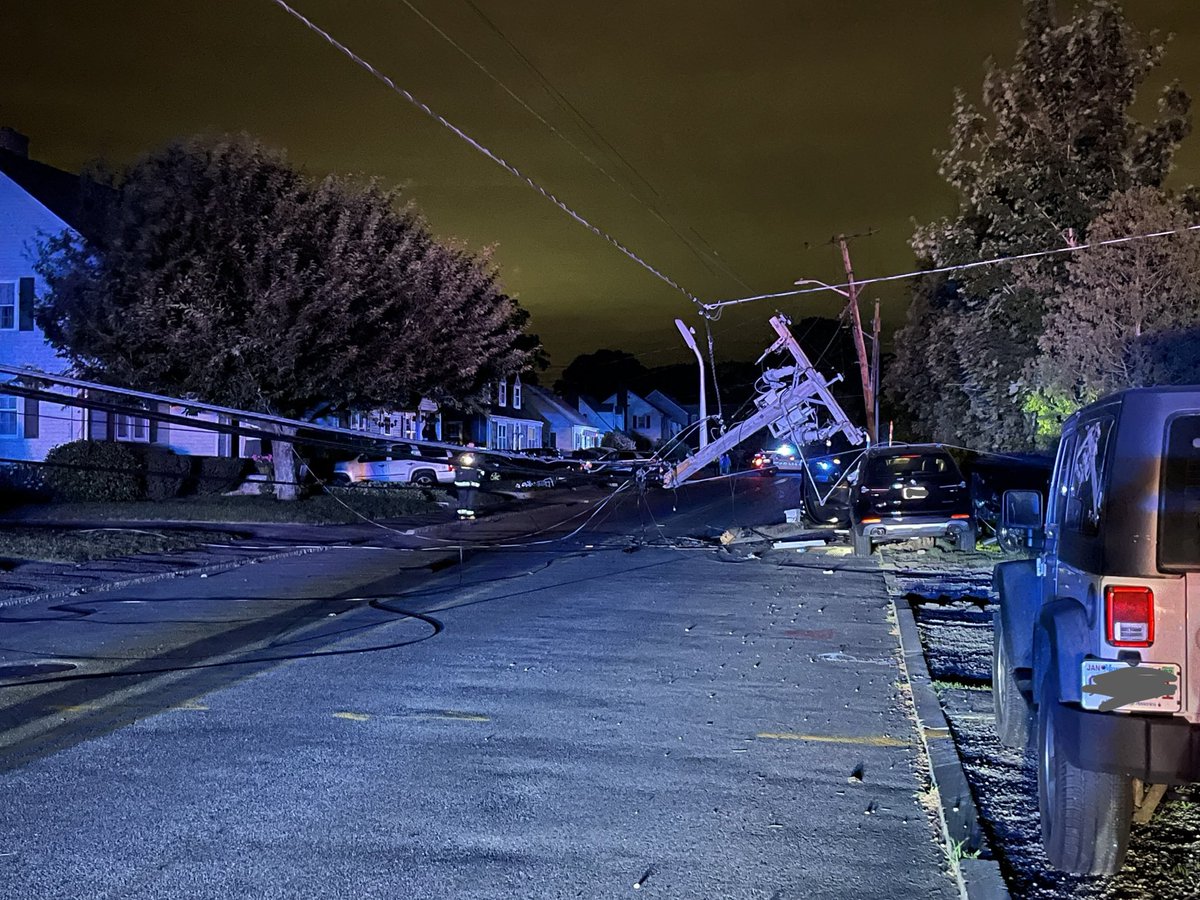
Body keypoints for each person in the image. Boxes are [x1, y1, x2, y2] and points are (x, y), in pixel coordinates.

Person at [454, 443, 483, 521]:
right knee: (462, 499)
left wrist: (480, 476)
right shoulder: (462, 457)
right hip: (462, 482)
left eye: (472, 447)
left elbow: (481, 468)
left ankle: (470, 514)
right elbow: (458, 466)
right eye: (469, 447)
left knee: (471, 499)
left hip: (473, 482)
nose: (471, 449)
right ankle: (462, 514)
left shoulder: (477, 457)